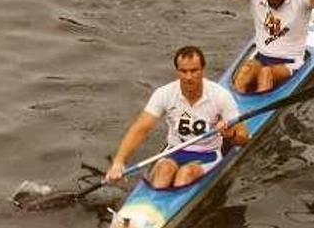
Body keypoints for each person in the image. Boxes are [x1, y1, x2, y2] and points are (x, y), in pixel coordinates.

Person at [105, 46, 249, 189]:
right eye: (183, 71)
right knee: (163, 172)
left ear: (202, 70)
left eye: (194, 71)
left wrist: (231, 134)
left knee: (185, 175)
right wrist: (119, 162)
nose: (188, 77)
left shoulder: (220, 96)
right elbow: (141, 129)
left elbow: (244, 138)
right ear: (177, 71)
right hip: (174, 150)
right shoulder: (164, 94)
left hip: (207, 154)